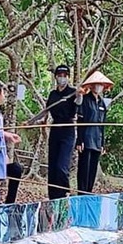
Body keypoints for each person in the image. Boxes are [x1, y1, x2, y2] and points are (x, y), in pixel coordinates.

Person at [45, 64, 82, 200]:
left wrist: (79, 95)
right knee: (53, 166)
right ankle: (52, 197)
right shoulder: (53, 94)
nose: (62, 78)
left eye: (64, 76)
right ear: (56, 77)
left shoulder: (72, 92)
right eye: (59, 76)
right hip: (55, 129)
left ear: (68, 77)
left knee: (62, 166)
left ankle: (64, 193)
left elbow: (78, 103)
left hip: (68, 129)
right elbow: (47, 111)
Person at [76, 71, 113, 194]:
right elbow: (80, 121)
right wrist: (79, 140)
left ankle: (89, 192)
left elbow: (103, 124)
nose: (98, 87)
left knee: (92, 168)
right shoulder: (85, 100)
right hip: (86, 138)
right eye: (96, 84)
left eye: (101, 85)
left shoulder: (102, 103)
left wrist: (102, 143)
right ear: (91, 86)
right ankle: (82, 193)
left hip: (97, 139)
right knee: (84, 168)